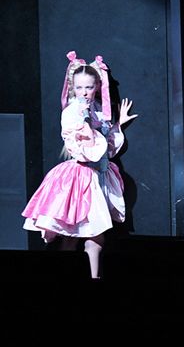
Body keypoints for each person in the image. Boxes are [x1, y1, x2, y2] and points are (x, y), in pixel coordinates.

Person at [23, 52, 136, 278]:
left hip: (99, 176)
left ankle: (94, 278)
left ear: (97, 87)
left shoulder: (99, 111)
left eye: (89, 87)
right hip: (79, 177)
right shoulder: (72, 113)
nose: (84, 92)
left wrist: (118, 125)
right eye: (79, 87)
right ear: (72, 88)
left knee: (95, 235)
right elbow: (83, 149)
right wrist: (85, 121)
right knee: (72, 236)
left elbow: (107, 149)